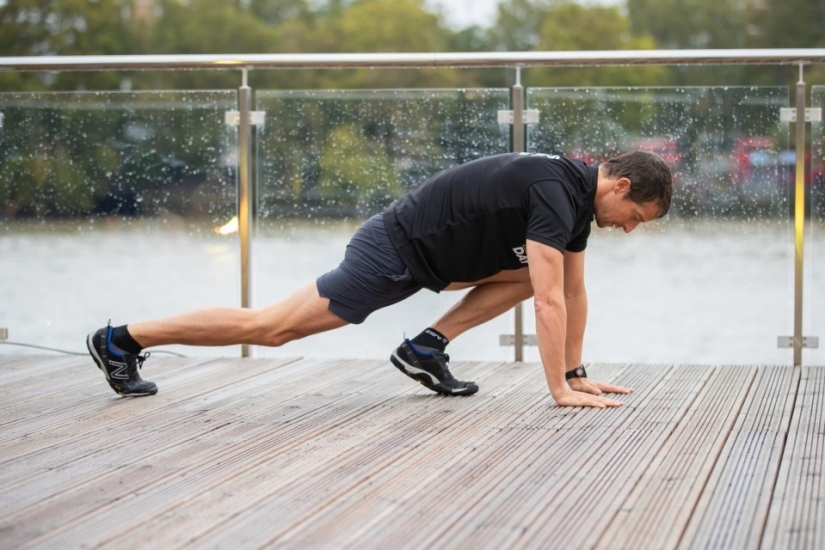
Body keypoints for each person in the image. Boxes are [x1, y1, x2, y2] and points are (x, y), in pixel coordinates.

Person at [87, 150, 672, 409]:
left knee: (531, 276)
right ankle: (123, 340)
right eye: (636, 219)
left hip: (431, 260)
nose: (628, 230)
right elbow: (550, 301)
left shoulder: (570, 199)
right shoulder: (556, 193)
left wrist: (576, 372)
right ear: (620, 187)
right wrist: (559, 392)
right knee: (271, 329)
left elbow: (571, 291)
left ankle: (426, 347)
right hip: (393, 251)